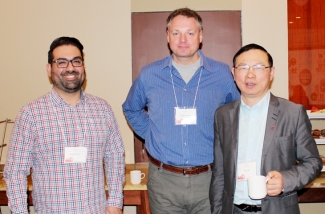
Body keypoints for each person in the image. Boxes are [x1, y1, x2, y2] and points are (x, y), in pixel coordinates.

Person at [123, 8, 240, 214]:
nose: (183, 39)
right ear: (168, 37)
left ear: (201, 36)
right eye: (176, 33)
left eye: (190, 33)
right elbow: (131, 108)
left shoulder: (222, 74)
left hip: (210, 179)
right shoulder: (150, 75)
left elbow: (239, 113)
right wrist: (152, 135)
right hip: (164, 182)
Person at [4, 37, 125, 214]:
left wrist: (115, 202)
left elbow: (115, 156)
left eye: (76, 61)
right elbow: (15, 172)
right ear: (49, 69)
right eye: (61, 62)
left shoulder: (103, 109)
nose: (70, 68)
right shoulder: (31, 114)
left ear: (83, 66)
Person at [209, 43, 322, 214]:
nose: (250, 74)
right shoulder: (223, 115)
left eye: (259, 67)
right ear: (233, 73)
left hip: (277, 209)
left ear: (272, 73)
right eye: (243, 67)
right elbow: (219, 173)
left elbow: (313, 162)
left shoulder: (292, 113)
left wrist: (285, 179)